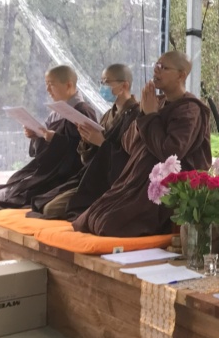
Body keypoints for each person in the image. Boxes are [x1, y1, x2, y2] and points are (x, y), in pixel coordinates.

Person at [72, 52, 211, 237]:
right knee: (90, 217)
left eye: (164, 67)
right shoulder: (155, 102)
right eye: (156, 65)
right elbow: (128, 144)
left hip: (163, 188)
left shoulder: (190, 109)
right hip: (135, 179)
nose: (156, 70)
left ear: (181, 75)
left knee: (106, 223)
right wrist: (144, 114)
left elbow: (170, 152)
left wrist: (151, 116)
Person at [29, 64, 140, 220]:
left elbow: (132, 160)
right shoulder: (109, 114)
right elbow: (87, 158)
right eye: (101, 82)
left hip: (113, 183)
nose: (102, 87)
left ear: (124, 85)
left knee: (50, 209)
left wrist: (102, 143)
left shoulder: (136, 116)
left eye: (107, 82)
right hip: (92, 175)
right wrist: (87, 141)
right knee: (41, 201)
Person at [0, 65, 98, 211]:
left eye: (51, 85)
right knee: (11, 185)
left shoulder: (83, 110)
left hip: (66, 174)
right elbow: (42, 149)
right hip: (49, 168)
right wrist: (36, 136)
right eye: (46, 85)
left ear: (68, 85)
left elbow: (82, 152)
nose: (48, 90)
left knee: (26, 193)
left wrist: (54, 138)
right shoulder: (57, 111)